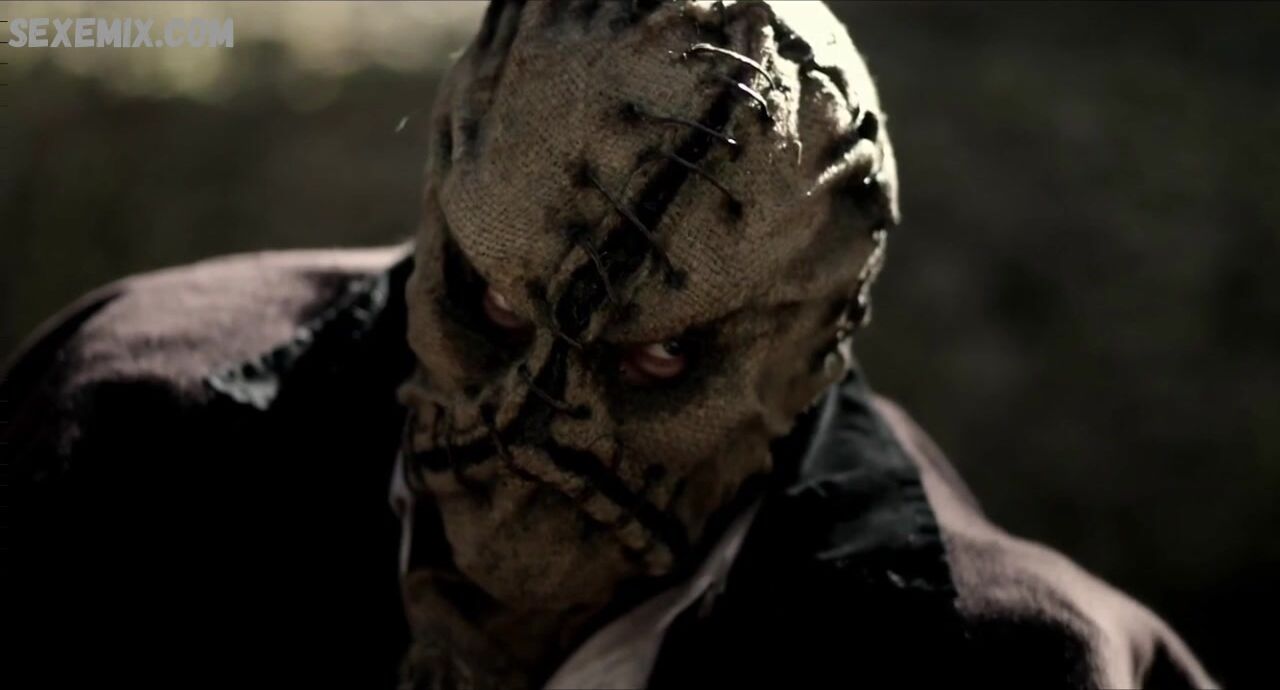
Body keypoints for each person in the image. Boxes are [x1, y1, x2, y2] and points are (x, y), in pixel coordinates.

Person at [2, 2, 1214, 688]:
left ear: (809, 351)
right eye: (496, 307)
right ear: (442, 197)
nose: (530, 426)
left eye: (657, 360)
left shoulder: (1014, 669)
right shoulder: (114, 439)